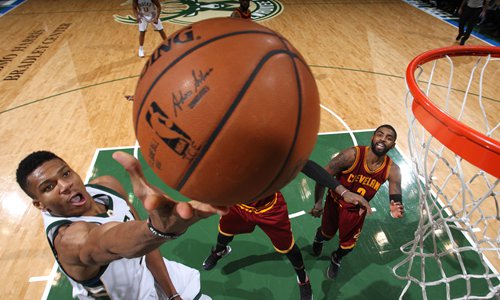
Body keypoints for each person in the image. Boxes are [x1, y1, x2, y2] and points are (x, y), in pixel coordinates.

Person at [16, 150, 228, 299]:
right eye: (48, 187)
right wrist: (158, 229)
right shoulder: (68, 240)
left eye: (65, 173)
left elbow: (144, 245)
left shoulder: (106, 186)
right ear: (40, 205)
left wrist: (172, 294)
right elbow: (109, 241)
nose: (65, 185)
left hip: (147, 274)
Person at [310, 124, 404, 280]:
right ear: (372, 137)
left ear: (393, 146)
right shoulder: (351, 155)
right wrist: (318, 203)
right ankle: (319, 238)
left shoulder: (392, 169)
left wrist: (396, 205)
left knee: (347, 246)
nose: (383, 139)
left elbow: (396, 191)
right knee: (327, 234)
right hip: (335, 202)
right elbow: (322, 176)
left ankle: (336, 258)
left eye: (389, 138)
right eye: (380, 134)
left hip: (356, 211)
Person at [201, 191, 314, 300]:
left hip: (269, 209)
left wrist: (331, 185)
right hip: (239, 204)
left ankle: (303, 278)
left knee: (287, 247)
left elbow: (308, 169)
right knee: (225, 232)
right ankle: (220, 251)